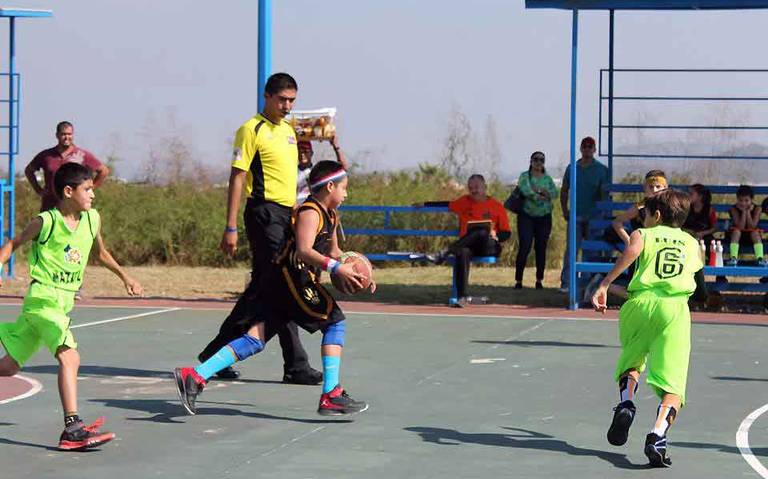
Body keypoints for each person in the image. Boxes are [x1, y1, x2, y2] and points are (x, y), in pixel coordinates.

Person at [175, 161, 372, 416]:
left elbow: (335, 253)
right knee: (335, 322)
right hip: (291, 280)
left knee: (255, 339)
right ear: (330, 186)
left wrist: (360, 273)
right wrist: (335, 268)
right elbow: (304, 250)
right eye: (344, 188)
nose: (347, 193)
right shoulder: (310, 212)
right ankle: (331, 394)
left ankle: (195, 376)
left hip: (288, 283)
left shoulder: (332, 215)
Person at [0, 163, 143, 450]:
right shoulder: (46, 222)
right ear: (69, 191)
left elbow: (100, 253)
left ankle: (72, 428)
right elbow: (13, 243)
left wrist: (126, 276)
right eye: (87, 189)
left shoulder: (92, 219)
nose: (93, 195)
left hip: (60, 304)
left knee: (9, 367)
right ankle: (72, 428)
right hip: (43, 300)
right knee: (70, 356)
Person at [197, 73, 322, 384]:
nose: (287, 105)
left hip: (284, 215)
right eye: (282, 99)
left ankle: (215, 355)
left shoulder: (290, 132)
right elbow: (237, 177)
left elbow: (289, 180)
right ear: (267, 96)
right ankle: (295, 365)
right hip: (263, 214)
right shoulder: (251, 129)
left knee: (263, 290)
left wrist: (295, 214)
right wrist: (230, 226)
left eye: (292, 100)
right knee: (283, 285)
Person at [592, 189, 704, 468]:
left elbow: (630, 252)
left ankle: (627, 402)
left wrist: (605, 284)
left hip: (639, 303)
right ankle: (657, 435)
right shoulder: (692, 243)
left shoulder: (643, 233)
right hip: (674, 308)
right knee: (674, 385)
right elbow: (700, 288)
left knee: (633, 361)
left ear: (656, 215)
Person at [420, 174, 511, 306]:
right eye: (470, 188)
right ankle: (462, 298)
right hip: (469, 246)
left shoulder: (496, 206)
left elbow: (507, 233)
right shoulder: (464, 202)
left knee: (481, 231)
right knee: (462, 252)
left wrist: (495, 233)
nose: (473, 190)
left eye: (476, 187)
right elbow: (446, 204)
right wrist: (424, 204)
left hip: (489, 246)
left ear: (485, 187)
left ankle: (443, 254)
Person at [559, 136, 610, 294]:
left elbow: (605, 195)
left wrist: (602, 216)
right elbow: (564, 190)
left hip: (594, 218)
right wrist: (565, 210)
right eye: (585, 146)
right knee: (571, 250)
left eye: (590, 146)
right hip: (576, 216)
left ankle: (588, 281)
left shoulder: (602, 170)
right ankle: (567, 282)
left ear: (594, 149)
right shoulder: (572, 168)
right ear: (581, 149)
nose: (587, 149)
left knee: (591, 251)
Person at [25, 121, 109, 213]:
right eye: (63, 134)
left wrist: (88, 189)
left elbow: (103, 171)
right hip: (50, 206)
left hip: (74, 207)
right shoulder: (46, 156)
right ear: (57, 135)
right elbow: (29, 171)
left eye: (69, 134)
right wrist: (38, 190)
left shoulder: (82, 155)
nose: (66, 137)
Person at [514, 151, 557, 290]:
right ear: (531, 161)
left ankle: (539, 280)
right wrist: (541, 193)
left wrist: (540, 192)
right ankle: (518, 280)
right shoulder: (524, 176)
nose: (538, 163)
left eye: (541, 160)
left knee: (541, 248)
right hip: (526, 216)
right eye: (536, 160)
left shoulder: (548, 179)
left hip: (544, 218)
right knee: (525, 247)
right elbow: (526, 191)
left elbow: (554, 194)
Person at [297, 135, 349, 206]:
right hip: (295, 206)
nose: (302, 155)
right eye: (299, 152)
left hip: (312, 205)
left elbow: (343, 169)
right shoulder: (292, 170)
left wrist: (336, 147)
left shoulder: (316, 171)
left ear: (311, 153)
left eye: (305, 151)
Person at [727, 184, 764, 266]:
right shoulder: (733, 209)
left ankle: (760, 258)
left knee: (755, 233)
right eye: (740, 200)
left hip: (752, 237)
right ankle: (733, 258)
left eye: (746, 200)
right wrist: (744, 212)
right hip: (737, 238)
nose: (743, 203)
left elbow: (752, 226)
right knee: (737, 231)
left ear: (751, 200)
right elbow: (740, 227)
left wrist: (748, 213)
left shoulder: (758, 209)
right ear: (737, 199)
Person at [682, 184, 717, 256]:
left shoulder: (709, 210)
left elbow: (714, 228)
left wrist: (703, 233)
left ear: (700, 197)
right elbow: (680, 225)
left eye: (691, 194)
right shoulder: (686, 208)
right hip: (688, 235)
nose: (688, 196)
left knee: (711, 243)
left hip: (704, 236)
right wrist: (690, 232)